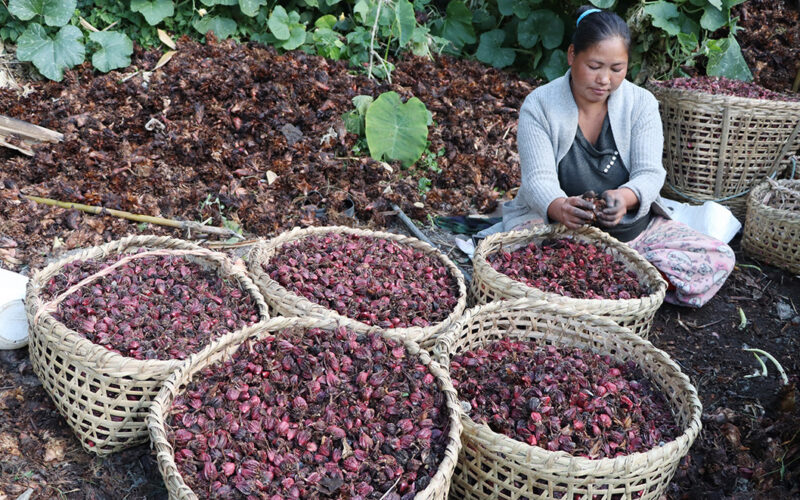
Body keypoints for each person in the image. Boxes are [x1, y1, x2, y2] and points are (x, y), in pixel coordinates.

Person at [497, 6, 735, 308]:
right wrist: (559, 207)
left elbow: (650, 173)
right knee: (515, 263)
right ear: (572, 55)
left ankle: (613, 285)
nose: (604, 80)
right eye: (594, 66)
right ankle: (622, 291)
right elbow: (537, 179)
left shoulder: (641, 104)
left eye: (616, 68)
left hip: (633, 237)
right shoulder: (540, 105)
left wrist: (625, 197)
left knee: (718, 258)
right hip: (558, 233)